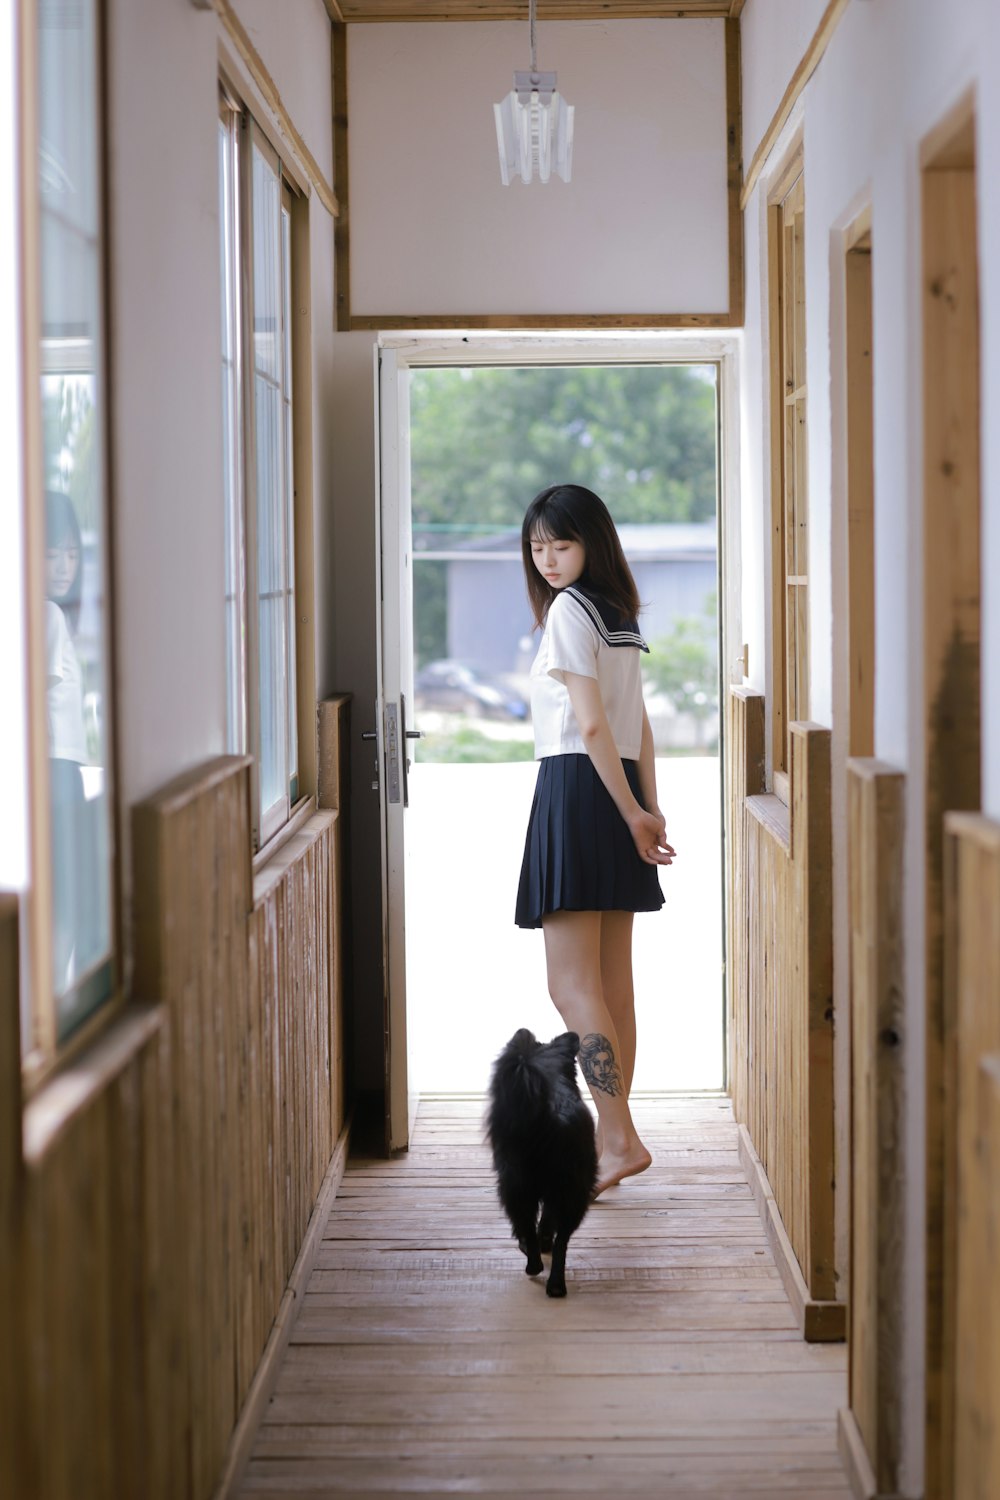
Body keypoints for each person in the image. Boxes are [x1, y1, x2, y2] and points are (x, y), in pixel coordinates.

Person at [514, 484, 676, 1196]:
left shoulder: (567, 613)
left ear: (593, 543)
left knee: (572, 984)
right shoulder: (617, 612)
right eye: (537, 547)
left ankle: (616, 1140)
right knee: (613, 987)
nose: (548, 559)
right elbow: (637, 721)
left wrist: (633, 809)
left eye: (562, 544)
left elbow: (591, 725)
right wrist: (645, 807)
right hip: (618, 795)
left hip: (579, 792)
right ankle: (618, 1140)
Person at [45, 490, 88, 992]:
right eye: (52, 553)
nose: (63, 566)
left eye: (72, 553)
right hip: (57, 773)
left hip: (60, 771)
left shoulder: (47, 614)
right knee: (67, 910)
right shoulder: (48, 616)